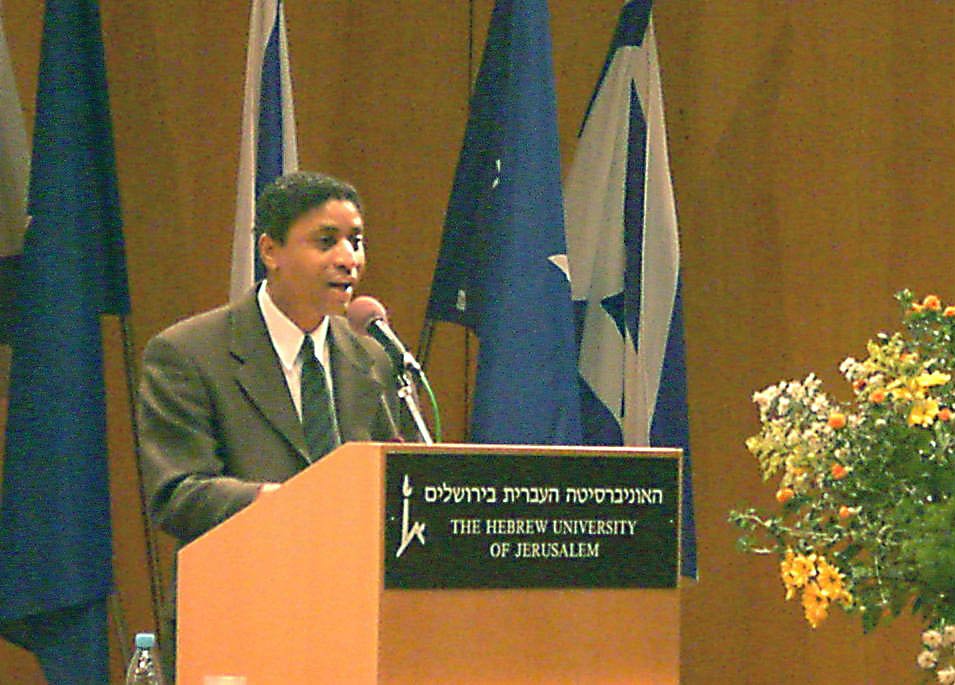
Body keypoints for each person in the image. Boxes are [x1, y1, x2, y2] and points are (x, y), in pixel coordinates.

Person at [137, 171, 408, 682]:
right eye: (326, 241)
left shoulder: (372, 358)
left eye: (356, 241)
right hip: (238, 616)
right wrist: (288, 505)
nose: (348, 258)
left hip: (352, 623)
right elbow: (176, 494)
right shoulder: (188, 354)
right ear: (270, 250)